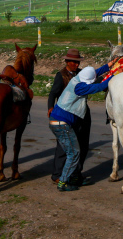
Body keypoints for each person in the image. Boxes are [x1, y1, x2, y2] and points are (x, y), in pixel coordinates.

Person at [49, 64, 110, 191]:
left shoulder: (76, 78)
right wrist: (115, 75)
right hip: (62, 124)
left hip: (59, 121)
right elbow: (100, 86)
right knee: (74, 153)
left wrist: (109, 65)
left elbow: (94, 72)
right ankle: (63, 182)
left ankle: (74, 177)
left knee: (75, 151)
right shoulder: (80, 87)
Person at [47, 49, 90, 185]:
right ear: (66, 61)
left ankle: (76, 173)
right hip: (66, 115)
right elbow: (53, 93)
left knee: (83, 145)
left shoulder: (82, 74)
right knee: (63, 146)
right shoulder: (61, 76)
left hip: (82, 113)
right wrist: (50, 107)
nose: (75, 64)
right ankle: (57, 174)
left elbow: (95, 81)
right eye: (73, 62)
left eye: (77, 62)